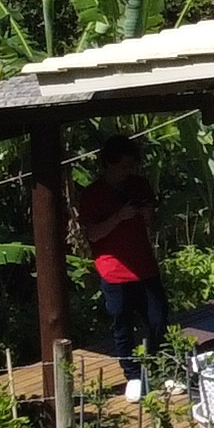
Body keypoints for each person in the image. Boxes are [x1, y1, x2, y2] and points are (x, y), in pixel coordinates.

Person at [73, 132, 170, 395]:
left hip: (144, 265)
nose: (128, 172)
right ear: (108, 164)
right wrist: (119, 217)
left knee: (158, 318)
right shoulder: (93, 195)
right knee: (122, 324)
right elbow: (92, 234)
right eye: (122, 166)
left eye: (131, 166)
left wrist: (147, 213)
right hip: (114, 270)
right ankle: (132, 375)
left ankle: (151, 366)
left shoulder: (139, 185)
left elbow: (151, 223)